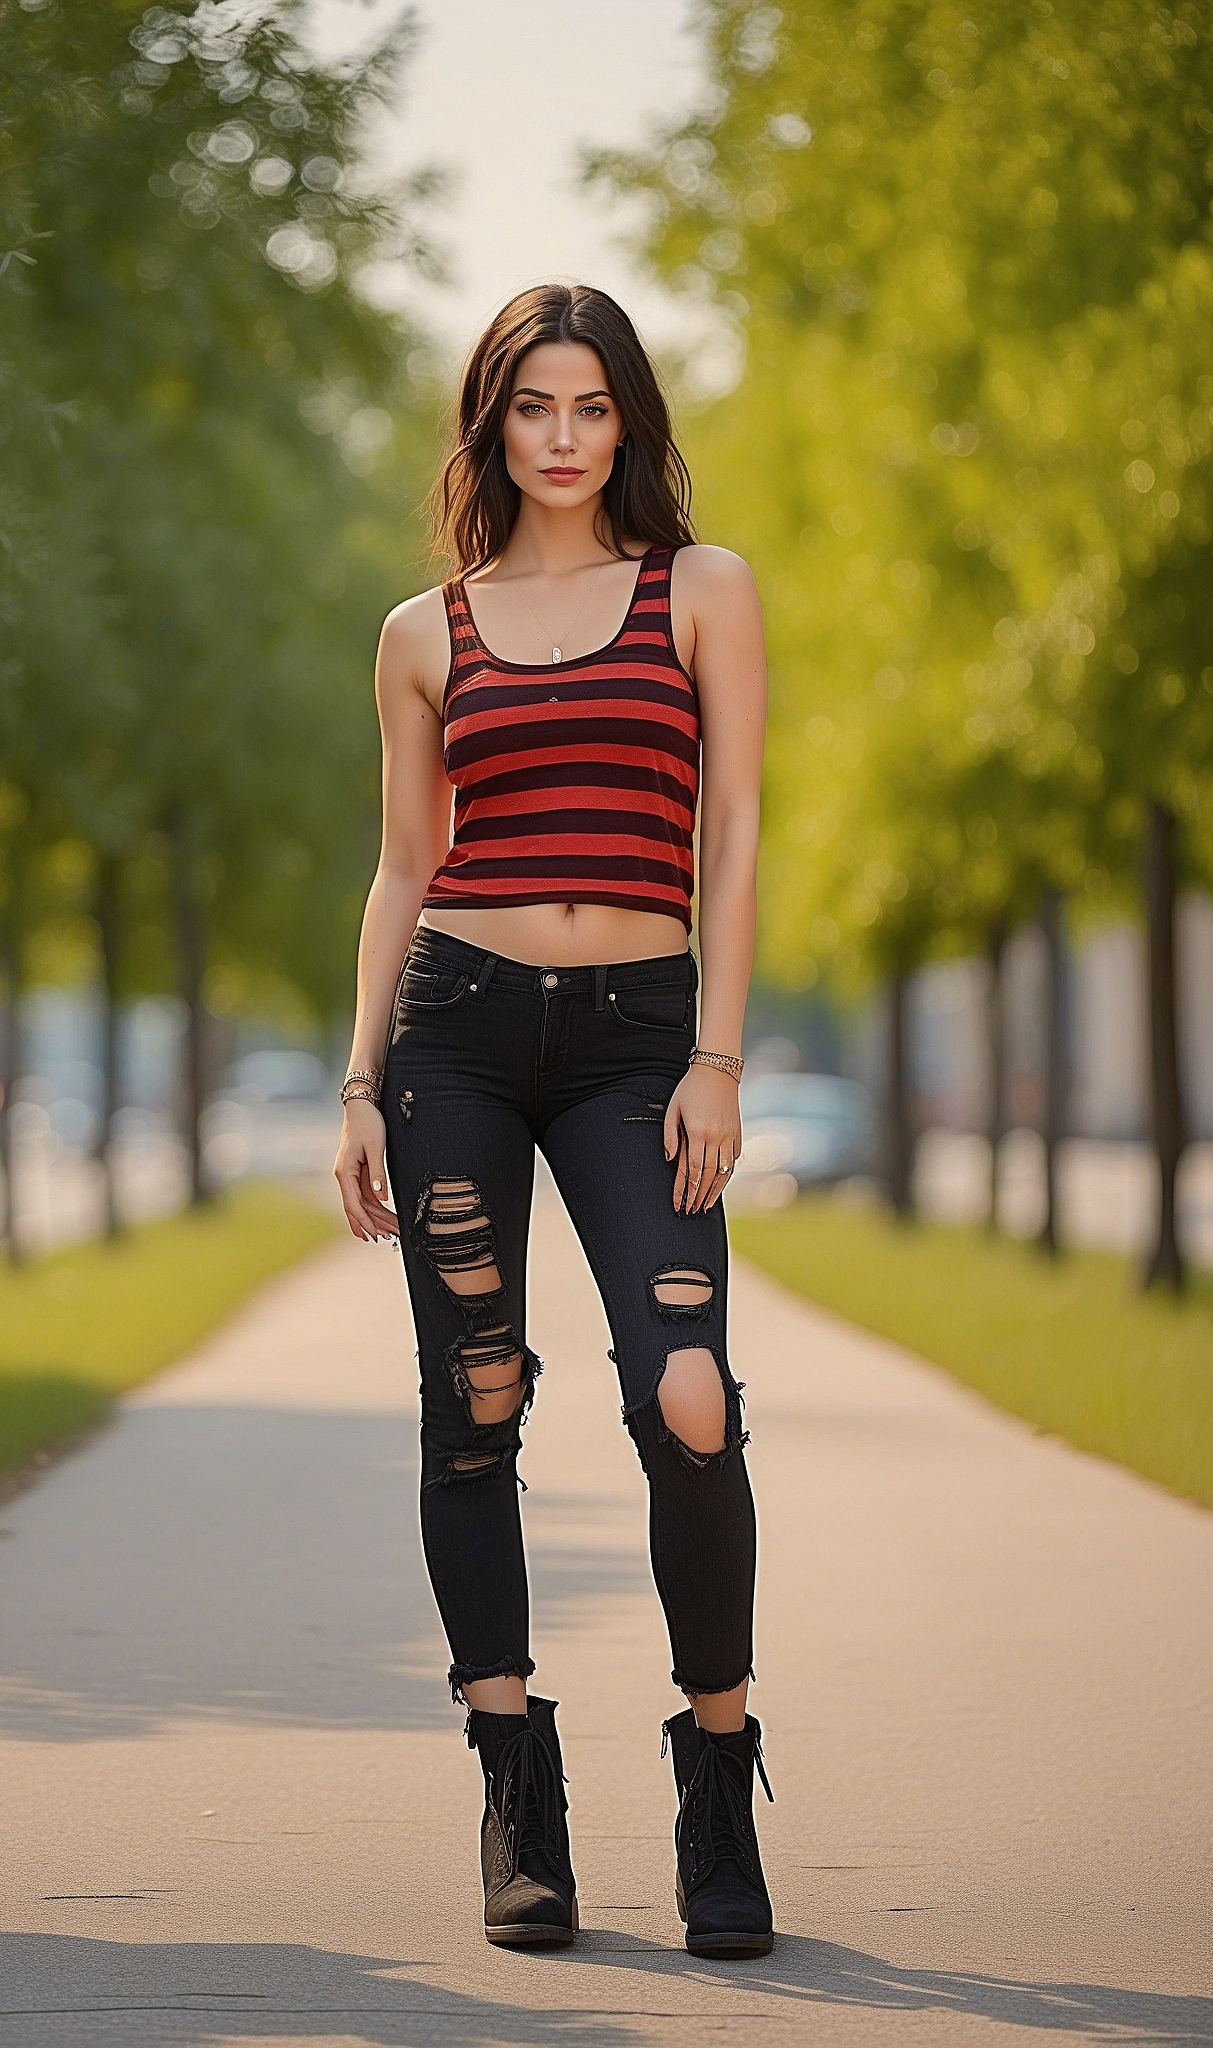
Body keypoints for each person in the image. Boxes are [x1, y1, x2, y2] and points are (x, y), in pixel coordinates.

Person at [331, 283, 772, 1956]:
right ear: (493, 425)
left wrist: (717, 1055)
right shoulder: (422, 632)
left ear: (629, 420)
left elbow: (730, 832)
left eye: (593, 408)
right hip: (455, 1031)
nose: (566, 439)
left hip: (638, 1041)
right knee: (477, 1397)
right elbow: (398, 865)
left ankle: (719, 1775)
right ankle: (517, 1784)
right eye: (535, 409)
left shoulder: (700, 591)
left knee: (691, 1394)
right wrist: (360, 1081)